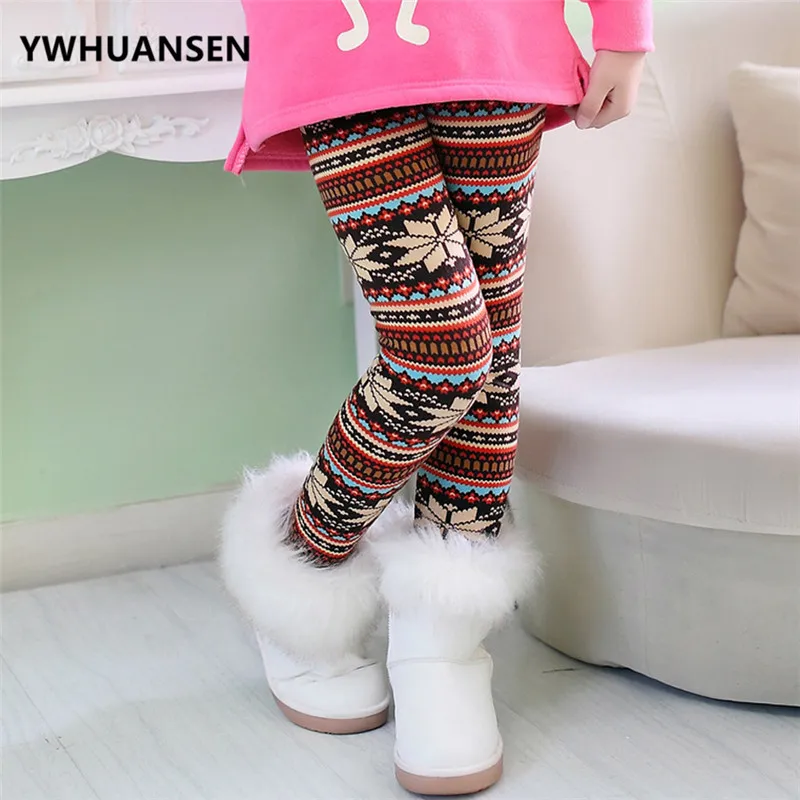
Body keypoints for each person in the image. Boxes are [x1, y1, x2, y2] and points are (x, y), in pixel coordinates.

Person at [219, 1, 653, 795]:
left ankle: (441, 649)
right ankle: (302, 554)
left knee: (491, 365)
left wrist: (625, 29)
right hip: (335, 40)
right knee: (441, 355)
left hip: (499, 36)